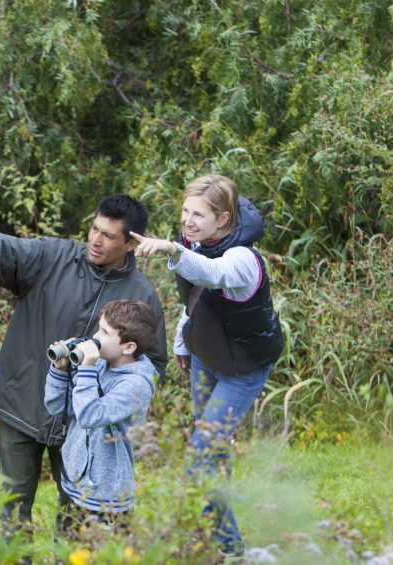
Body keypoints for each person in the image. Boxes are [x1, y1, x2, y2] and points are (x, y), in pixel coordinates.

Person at [0, 195, 168, 542]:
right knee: (12, 508)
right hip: (23, 402)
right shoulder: (53, 256)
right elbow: (8, 251)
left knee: (76, 512)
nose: (95, 239)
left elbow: (153, 363)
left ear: (131, 243)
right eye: (94, 228)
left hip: (84, 424)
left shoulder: (142, 296)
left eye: (108, 235)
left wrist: (109, 391)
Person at [130, 174, 284, 558]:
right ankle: (214, 540)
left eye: (198, 214)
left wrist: (169, 248)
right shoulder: (195, 242)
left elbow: (211, 276)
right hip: (206, 357)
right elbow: (195, 299)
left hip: (242, 370)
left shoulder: (242, 259)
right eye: (185, 211)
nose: (187, 221)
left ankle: (230, 550)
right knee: (212, 455)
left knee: (200, 458)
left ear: (224, 219)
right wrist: (187, 338)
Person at [44, 299, 158, 540]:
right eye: (99, 328)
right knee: (63, 553)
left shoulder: (135, 385)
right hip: (74, 483)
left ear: (128, 347)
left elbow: (89, 415)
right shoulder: (101, 364)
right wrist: (60, 369)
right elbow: (56, 407)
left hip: (106, 496)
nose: (96, 337)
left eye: (105, 332)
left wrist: (86, 368)